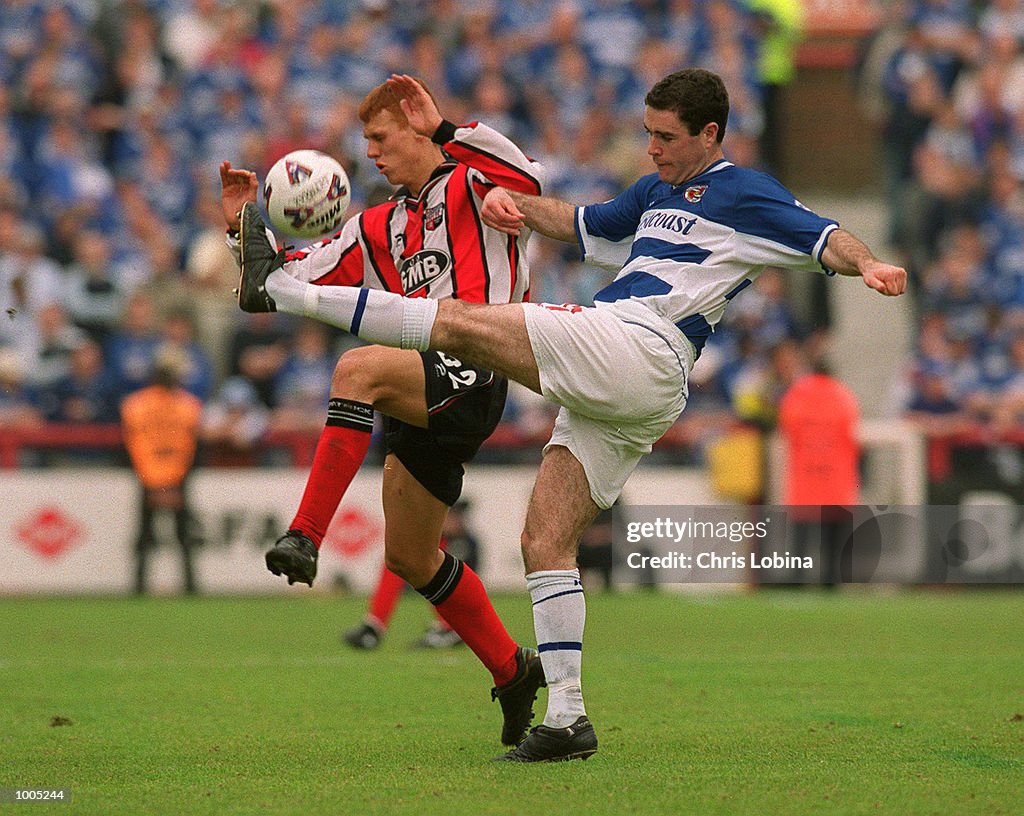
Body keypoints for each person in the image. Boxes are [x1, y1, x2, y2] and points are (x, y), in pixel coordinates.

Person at [234, 69, 907, 762]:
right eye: (647, 133)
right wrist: (519, 210)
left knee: (465, 323)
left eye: (667, 137)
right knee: (544, 540)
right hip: (628, 380)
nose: (651, 148)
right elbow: (581, 225)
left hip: (640, 343)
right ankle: (566, 719)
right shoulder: (653, 193)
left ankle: (279, 294)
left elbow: (825, 236)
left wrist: (871, 264)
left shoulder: (745, 190)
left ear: (711, 134)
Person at [219, 75, 546, 749]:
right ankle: (514, 671)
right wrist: (243, 228)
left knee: (356, 366)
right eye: (364, 139)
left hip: (478, 361)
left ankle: (305, 536)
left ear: (418, 129)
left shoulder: (474, 186)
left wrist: (449, 126)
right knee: (410, 556)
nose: (368, 151)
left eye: (380, 136)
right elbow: (276, 288)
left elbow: (530, 179)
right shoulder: (378, 225)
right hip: (422, 385)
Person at [121, 345, 203, 595]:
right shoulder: (189, 405)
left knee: (147, 536)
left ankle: (139, 588)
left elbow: (134, 446)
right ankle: (190, 588)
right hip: (176, 477)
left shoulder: (135, 404)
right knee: (182, 536)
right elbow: (191, 448)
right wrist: (172, 483)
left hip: (149, 477)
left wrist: (154, 482)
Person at [777, 360, 861, 586]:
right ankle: (831, 580)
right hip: (835, 475)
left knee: (801, 534)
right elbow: (852, 433)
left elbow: (788, 429)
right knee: (833, 534)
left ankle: (796, 579)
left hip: (805, 473)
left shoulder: (797, 394)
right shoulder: (843, 396)